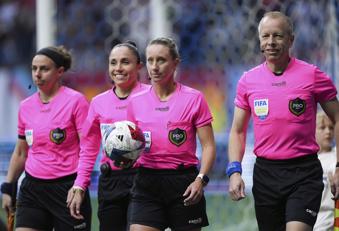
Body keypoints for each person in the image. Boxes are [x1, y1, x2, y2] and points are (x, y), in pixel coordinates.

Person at [227, 11, 339, 231]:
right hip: (265, 174)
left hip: (304, 172)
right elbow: (237, 131)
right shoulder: (248, 81)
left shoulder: (312, 75)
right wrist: (234, 171)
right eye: (265, 36)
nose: (271, 42)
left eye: (277, 36)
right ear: (259, 40)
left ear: (290, 40)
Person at [126, 37, 216, 231]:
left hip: (184, 183)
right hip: (146, 183)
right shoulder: (135, 101)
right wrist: (124, 156)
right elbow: (131, 144)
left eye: (161, 60)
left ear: (175, 63)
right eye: (150, 60)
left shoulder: (194, 99)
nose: (154, 66)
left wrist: (200, 179)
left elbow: (208, 145)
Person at [0, 45, 92, 230]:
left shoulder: (76, 101)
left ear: (59, 72)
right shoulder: (26, 106)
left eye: (44, 69)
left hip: (67, 189)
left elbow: (88, 149)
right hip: (32, 189)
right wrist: (9, 187)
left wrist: (79, 186)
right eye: (34, 69)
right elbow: (20, 152)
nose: (37, 74)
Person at [67, 41, 149, 231]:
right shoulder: (98, 103)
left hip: (145, 180)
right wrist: (79, 185)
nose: (118, 68)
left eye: (125, 62)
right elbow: (88, 149)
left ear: (139, 66)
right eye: (113, 63)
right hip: (111, 182)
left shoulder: (151, 96)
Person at [314, 111, 336, 231]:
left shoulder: (336, 156)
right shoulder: (307, 160)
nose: (328, 132)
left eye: (331, 127)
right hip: (310, 219)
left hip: (331, 219)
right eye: (322, 128)